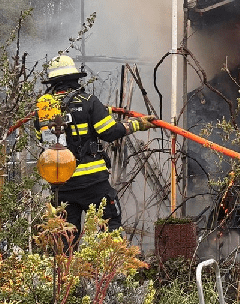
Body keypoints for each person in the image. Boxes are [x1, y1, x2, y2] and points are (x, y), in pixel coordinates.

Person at [34, 55, 157, 244]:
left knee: (66, 238)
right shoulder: (88, 101)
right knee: (110, 226)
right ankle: (113, 263)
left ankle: (66, 264)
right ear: (75, 79)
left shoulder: (44, 108)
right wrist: (137, 124)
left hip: (62, 184)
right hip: (93, 183)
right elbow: (109, 131)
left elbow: (41, 139)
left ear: (53, 83)